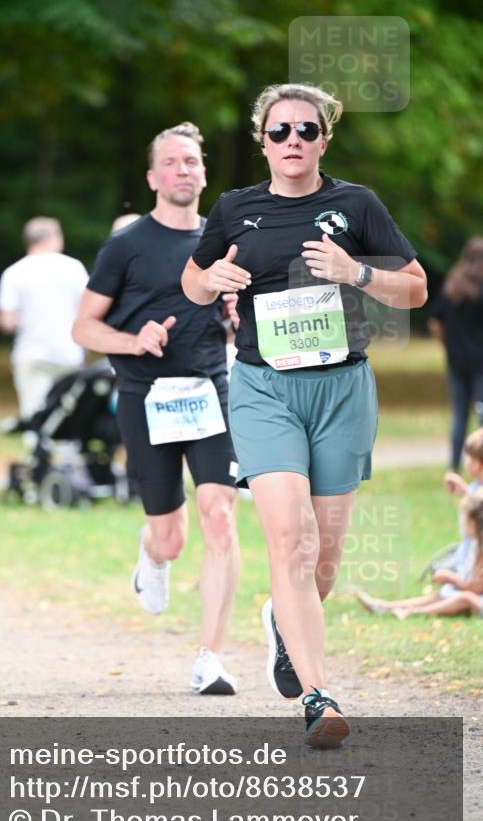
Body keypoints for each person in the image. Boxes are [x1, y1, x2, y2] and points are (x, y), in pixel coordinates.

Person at [181, 83, 428, 746]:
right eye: (280, 130)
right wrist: (212, 283)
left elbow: (415, 286)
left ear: (325, 139)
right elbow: (192, 277)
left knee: (323, 556)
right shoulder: (234, 209)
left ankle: (283, 624)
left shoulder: (355, 205)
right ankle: (319, 699)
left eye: (306, 131)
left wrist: (357, 273)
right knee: (290, 543)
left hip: (341, 390)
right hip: (264, 390)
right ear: (261, 139)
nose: (293, 142)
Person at [72, 122, 241, 695]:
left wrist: (239, 319)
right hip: (146, 400)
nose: (183, 170)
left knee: (220, 513)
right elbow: (84, 326)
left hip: (211, 394)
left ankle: (210, 658)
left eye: (192, 161)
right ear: (152, 177)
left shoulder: (223, 240)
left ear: (204, 172)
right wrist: (133, 341)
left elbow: (238, 314)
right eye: (172, 162)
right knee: (171, 536)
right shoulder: (126, 246)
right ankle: (154, 558)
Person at [0, 218, 88, 422]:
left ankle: (37, 451)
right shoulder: (74, 268)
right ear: (51, 238)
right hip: (69, 352)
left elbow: (7, 321)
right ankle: (68, 453)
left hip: (30, 353)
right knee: (69, 413)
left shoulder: (14, 272)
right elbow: (88, 310)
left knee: (34, 413)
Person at [356, 490, 483, 619]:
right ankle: (384, 606)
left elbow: (476, 588)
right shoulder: (474, 545)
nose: (461, 524)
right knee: (440, 595)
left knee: (465, 598)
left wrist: (450, 578)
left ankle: (412, 612)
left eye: (464, 520)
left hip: (476, 598)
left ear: (473, 524)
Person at [427, 237, 483, 471]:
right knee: (482, 415)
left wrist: (448, 344)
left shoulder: (452, 284)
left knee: (459, 417)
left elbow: (435, 323)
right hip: (481, 362)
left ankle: (454, 466)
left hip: (455, 361)